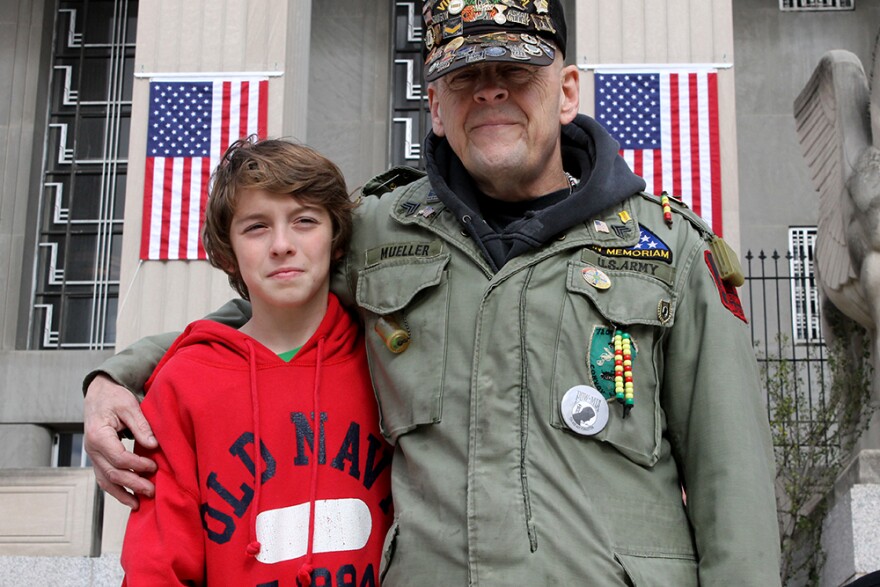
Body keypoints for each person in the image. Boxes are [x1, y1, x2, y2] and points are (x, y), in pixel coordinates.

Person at [85, 1, 782, 584]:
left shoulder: (668, 248)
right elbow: (271, 303)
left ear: (567, 90)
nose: (490, 89)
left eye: (515, 69)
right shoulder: (380, 229)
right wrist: (117, 376)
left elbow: (735, 491)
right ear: (437, 108)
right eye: (464, 76)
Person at [117, 138, 392, 586]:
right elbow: (158, 565)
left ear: (337, 241)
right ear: (228, 252)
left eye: (305, 221)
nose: (282, 245)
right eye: (256, 227)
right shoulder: (185, 381)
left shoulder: (385, 360)